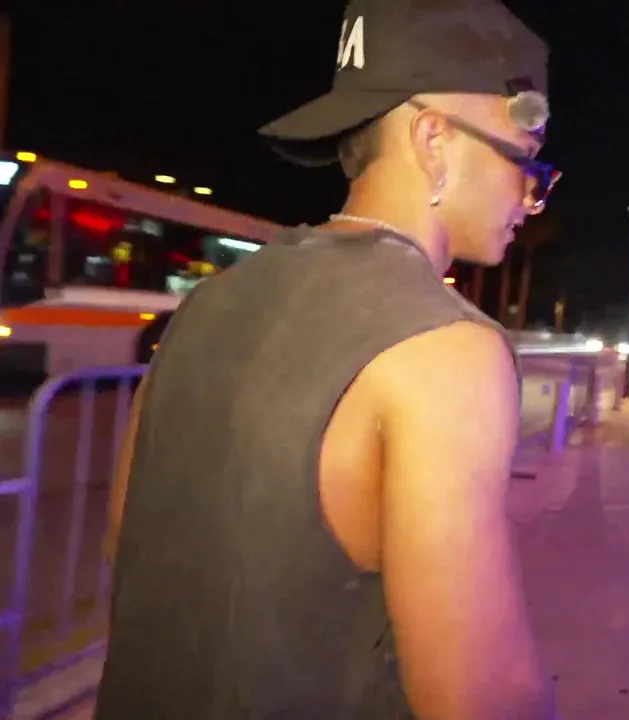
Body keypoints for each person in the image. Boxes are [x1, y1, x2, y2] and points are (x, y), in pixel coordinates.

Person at [96, 1, 558, 719]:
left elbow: (125, 541)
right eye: (526, 160)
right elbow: (482, 697)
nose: (530, 198)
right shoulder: (447, 348)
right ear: (433, 140)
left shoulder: (207, 303)